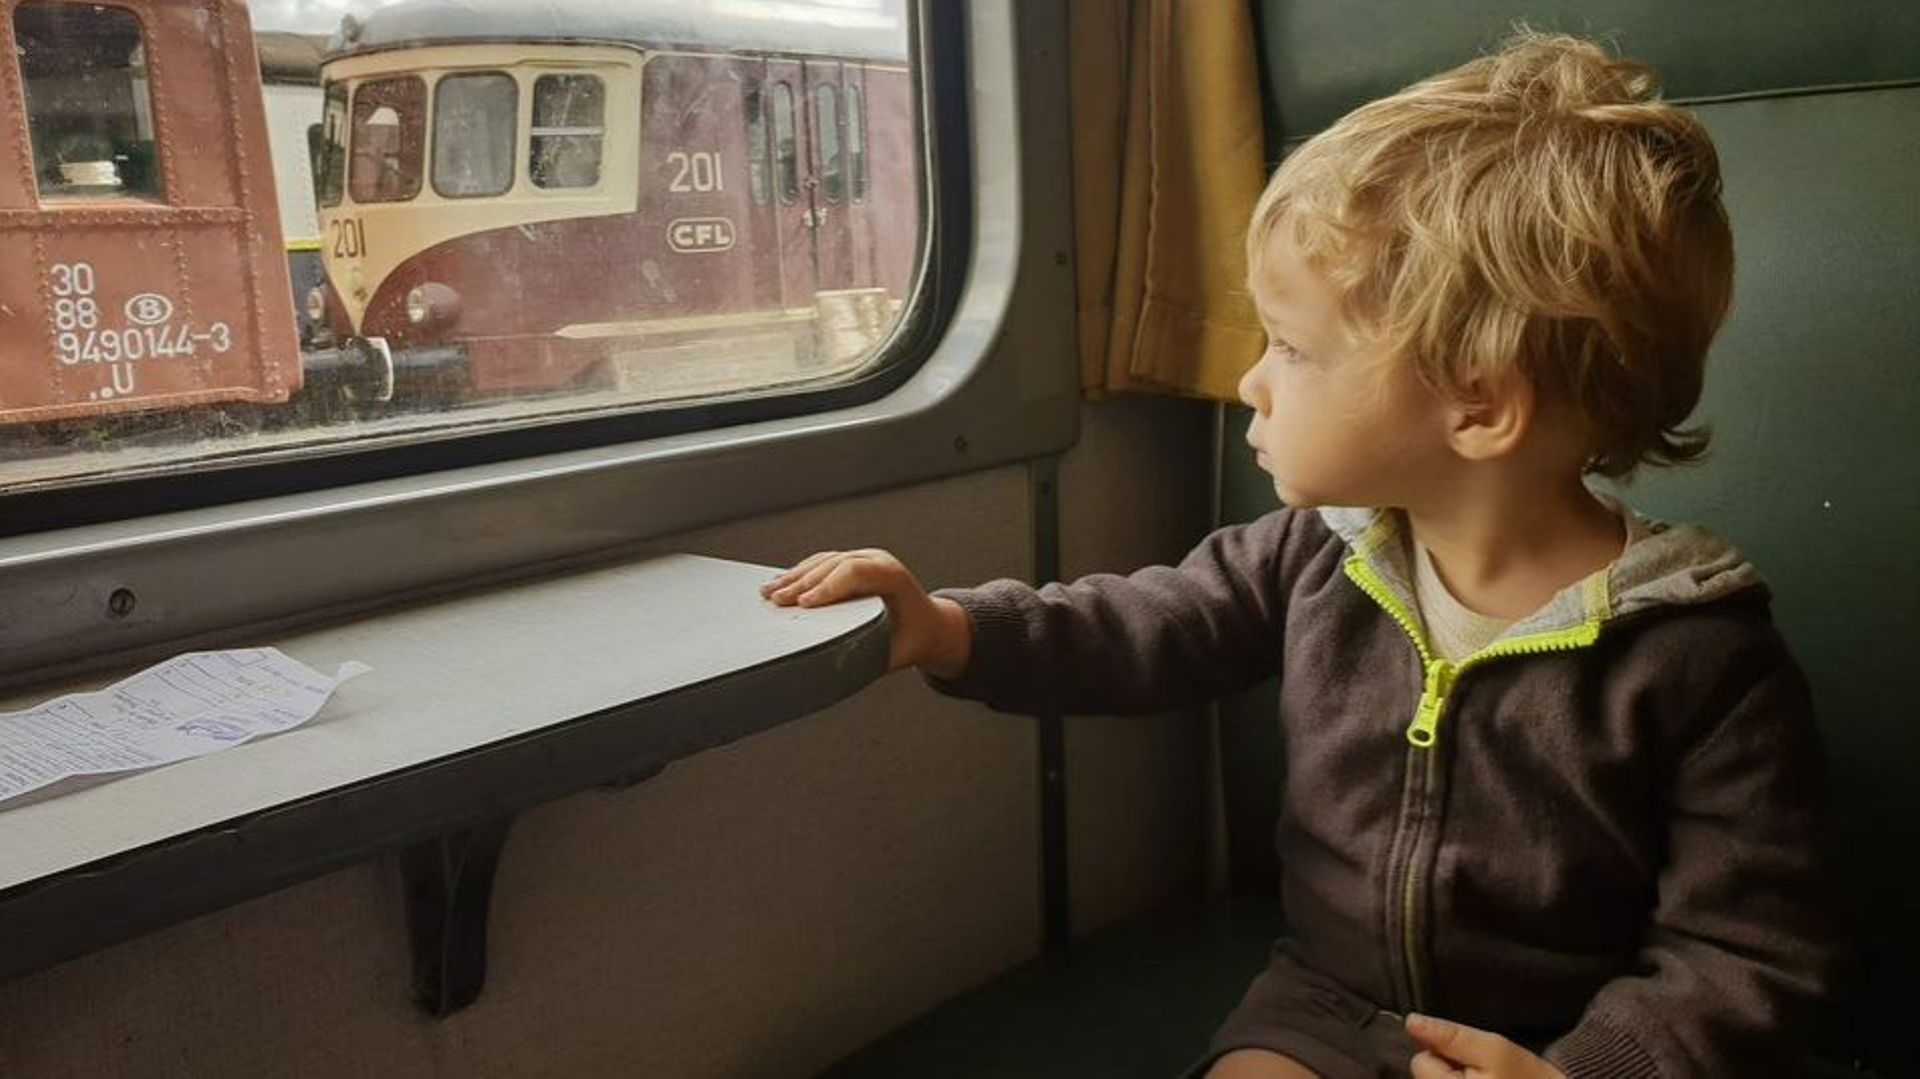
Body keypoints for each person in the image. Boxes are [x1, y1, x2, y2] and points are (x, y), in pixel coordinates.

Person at [762, 30, 1838, 1079]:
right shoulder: (1316, 559)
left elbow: (1744, 950)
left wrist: (1595, 1068)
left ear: (1479, 404)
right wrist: (951, 628)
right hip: (1325, 1001)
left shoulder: (1695, 657)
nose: (1253, 383)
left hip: (1552, 1036)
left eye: (1292, 346)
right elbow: (1146, 624)